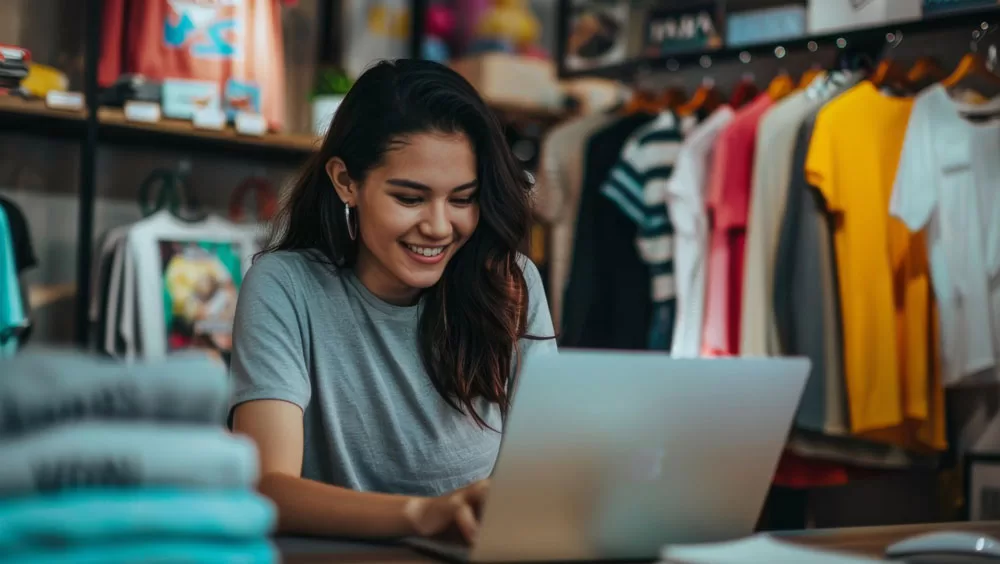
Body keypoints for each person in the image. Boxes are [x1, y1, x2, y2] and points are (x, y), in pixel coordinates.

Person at [228, 59, 557, 544]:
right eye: (410, 198)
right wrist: (424, 515)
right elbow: (266, 489)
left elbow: (547, 473)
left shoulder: (510, 284)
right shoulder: (285, 287)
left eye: (462, 199)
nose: (440, 227)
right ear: (346, 182)